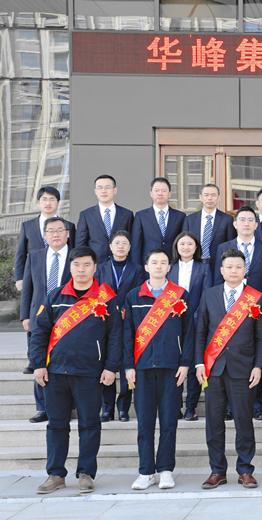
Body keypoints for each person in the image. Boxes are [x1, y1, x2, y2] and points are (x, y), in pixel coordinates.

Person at [29, 247, 121, 494]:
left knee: (90, 424)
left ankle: (86, 473)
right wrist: (38, 364)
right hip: (56, 372)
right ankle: (55, 474)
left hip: (90, 372)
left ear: (95, 268)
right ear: (70, 267)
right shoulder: (55, 295)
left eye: (86, 265)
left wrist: (111, 367)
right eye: (77, 265)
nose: (81, 270)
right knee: (56, 425)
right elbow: (39, 332)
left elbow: (115, 336)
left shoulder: (106, 298)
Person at [195, 249, 262, 490]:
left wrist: (258, 365)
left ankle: (245, 470)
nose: (234, 271)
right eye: (229, 267)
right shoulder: (210, 294)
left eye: (238, 267)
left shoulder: (255, 297)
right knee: (214, 422)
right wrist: (199, 363)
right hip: (214, 368)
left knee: (243, 421)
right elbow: (200, 331)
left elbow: (260, 336)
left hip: (243, 369)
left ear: (245, 270)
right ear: (221, 270)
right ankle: (217, 470)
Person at [122, 248, 193, 490]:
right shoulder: (133, 296)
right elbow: (127, 334)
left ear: (169, 267)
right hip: (141, 369)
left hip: (171, 368)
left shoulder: (180, 295)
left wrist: (185, 363)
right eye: (154, 262)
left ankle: (165, 470)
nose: (159, 266)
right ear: (146, 267)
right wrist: (128, 366)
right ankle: (146, 471)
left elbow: (189, 333)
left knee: (169, 421)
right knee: (144, 422)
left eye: (163, 262)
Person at [215, 206, 262, 420]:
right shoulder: (224, 247)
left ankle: (259, 405)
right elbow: (216, 277)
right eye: (242, 219)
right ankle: (230, 406)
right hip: (229, 307)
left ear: (256, 225)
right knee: (229, 355)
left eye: (251, 220)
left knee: (258, 350)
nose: (246, 223)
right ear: (235, 224)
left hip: (256, 306)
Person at [20, 217, 72, 423]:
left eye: (60, 230)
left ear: (68, 233)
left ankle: (67, 405)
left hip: (69, 316)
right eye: (51, 231)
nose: (56, 234)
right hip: (40, 315)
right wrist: (25, 315)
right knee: (39, 359)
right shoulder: (35, 256)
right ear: (45, 235)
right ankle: (42, 407)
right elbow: (28, 288)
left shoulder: (76, 256)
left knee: (65, 359)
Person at [96, 230, 146, 422]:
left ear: (130, 247)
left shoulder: (137, 269)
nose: (121, 246)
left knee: (127, 362)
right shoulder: (101, 268)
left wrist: (126, 308)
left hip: (128, 319)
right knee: (107, 363)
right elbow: (96, 292)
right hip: (106, 320)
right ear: (110, 247)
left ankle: (123, 408)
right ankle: (107, 408)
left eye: (124, 243)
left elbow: (138, 292)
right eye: (117, 243)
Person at [168, 232, 212, 421]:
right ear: (176, 247)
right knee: (174, 364)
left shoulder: (204, 268)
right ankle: (175, 405)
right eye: (182, 244)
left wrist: (197, 315)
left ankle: (191, 407)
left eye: (190, 244)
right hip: (172, 322)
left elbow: (206, 294)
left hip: (196, 320)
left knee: (194, 365)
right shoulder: (169, 268)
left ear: (196, 247)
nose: (186, 247)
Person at [14, 186, 75, 293]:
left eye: (52, 199)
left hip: (61, 276)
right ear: (38, 203)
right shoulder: (27, 226)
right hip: (34, 276)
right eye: (44, 199)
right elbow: (21, 253)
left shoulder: (69, 226)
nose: (48, 203)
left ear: (58, 203)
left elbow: (74, 251)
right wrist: (19, 278)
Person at [75, 174, 134, 264]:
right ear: (95, 191)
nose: (103, 191)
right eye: (100, 188)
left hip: (121, 263)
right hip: (95, 264)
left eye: (107, 187)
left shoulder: (127, 214)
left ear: (115, 190)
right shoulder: (86, 215)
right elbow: (80, 244)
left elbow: (132, 241)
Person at [131, 177, 186, 266]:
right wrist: (138, 268)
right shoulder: (141, 216)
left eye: (164, 191)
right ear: (151, 194)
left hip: (173, 265)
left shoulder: (180, 216)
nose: (160, 193)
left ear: (169, 194)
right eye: (157, 190)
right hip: (149, 266)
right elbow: (136, 245)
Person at [182, 183, 235, 268]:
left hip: (218, 264)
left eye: (213, 195)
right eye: (206, 195)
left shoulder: (227, 219)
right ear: (200, 197)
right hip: (194, 263)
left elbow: (231, 245)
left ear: (218, 198)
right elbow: (184, 242)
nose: (210, 198)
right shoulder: (190, 219)